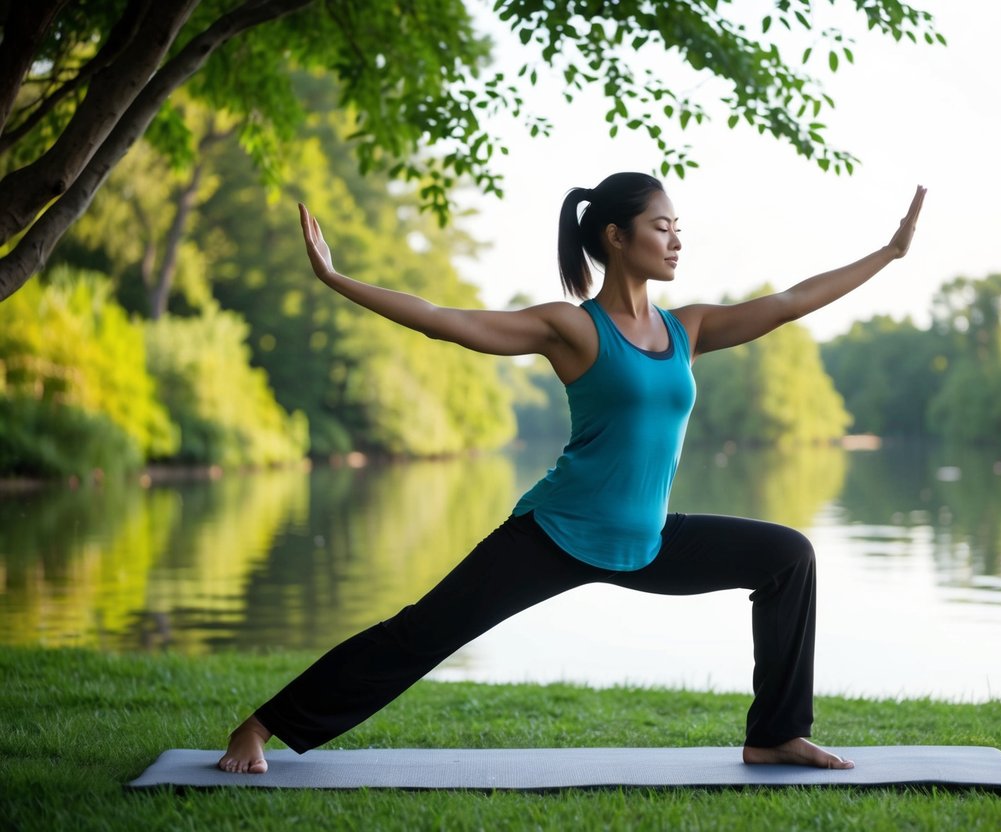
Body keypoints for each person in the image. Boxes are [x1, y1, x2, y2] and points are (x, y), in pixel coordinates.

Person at [218, 172, 927, 774]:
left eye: (678, 227)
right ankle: (260, 725)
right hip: (553, 532)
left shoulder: (690, 329)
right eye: (661, 226)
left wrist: (888, 254)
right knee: (421, 633)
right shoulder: (572, 328)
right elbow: (442, 320)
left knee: (786, 557)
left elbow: (793, 301)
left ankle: (773, 735)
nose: (676, 239)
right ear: (616, 237)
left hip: (645, 541)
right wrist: (336, 278)